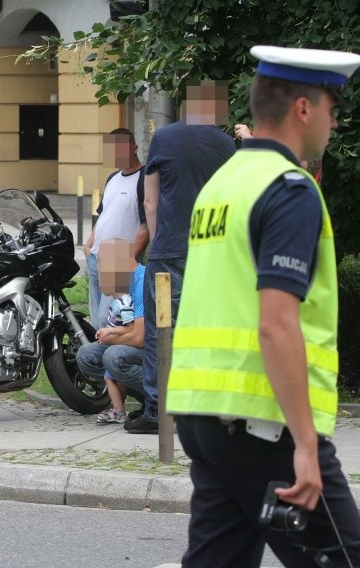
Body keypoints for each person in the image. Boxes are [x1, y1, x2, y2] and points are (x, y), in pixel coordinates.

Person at [166, 46, 360, 566]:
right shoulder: (288, 190)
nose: (335, 122)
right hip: (265, 423)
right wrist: (306, 443)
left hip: (203, 414)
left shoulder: (222, 186)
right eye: (333, 108)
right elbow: (276, 324)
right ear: (304, 108)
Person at [125, 81, 236, 434]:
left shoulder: (165, 138)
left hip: (170, 250)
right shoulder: (226, 144)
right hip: (212, 252)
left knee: (162, 330)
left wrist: (158, 241)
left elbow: (150, 201)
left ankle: (158, 411)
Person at [83, 128, 149, 330]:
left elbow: (146, 227)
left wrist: (125, 262)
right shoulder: (112, 177)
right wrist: (89, 246)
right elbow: (104, 214)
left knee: (109, 319)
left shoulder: (144, 178)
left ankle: (113, 359)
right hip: (96, 257)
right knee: (97, 321)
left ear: (135, 148)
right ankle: (97, 361)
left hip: (119, 261)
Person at [76, 239, 146, 424]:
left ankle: (159, 396)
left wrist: (110, 337)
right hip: (129, 344)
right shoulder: (121, 287)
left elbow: (139, 337)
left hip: (151, 348)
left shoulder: (142, 282)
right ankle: (131, 402)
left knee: (113, 356)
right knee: (86, 354)